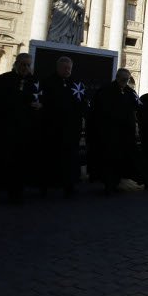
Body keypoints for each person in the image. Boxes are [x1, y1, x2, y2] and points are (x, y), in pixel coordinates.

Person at [0, 53, 42, 202]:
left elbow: (43, 100)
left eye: (28, 65)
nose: (25, 68)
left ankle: (16, 192)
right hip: (3, 128)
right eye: (22, 64)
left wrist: (40, 105)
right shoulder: (2, 80)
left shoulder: (35, 82)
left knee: (20, 163)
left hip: (25, 130)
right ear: (15, 64)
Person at [89, 68, 148, 194]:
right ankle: (109, 184)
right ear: (117, 77)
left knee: (125, 158)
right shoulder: (106, 90)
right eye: (123, 79)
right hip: (110, 133)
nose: (125, 82)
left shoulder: (130, 92)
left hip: (126, 134)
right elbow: (100, 110)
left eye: (127, 80)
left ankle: (132, 179)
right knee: (110, 160)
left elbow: (139, 106)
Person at [40, 56, 89, 196]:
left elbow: (83, 103)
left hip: (71, 129)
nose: (67, 70)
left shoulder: (77, 84)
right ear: (58, 68)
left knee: (70, 159)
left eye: (69, 68)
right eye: (64, 68)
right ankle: (46, 185)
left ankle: (69, 185)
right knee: (49, 157)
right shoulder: (47, 82)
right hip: (52, 128)